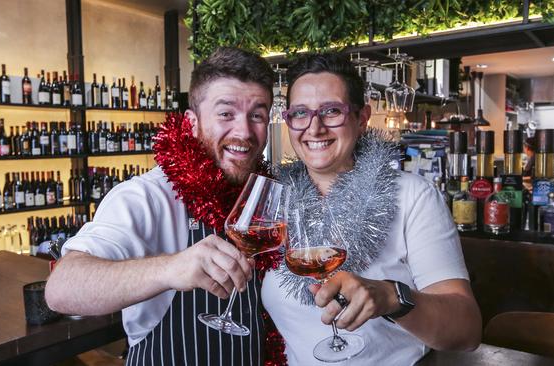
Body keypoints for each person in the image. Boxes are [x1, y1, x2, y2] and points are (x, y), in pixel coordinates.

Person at [45, 47, 275, 365]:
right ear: (191, 123)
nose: (244, 131)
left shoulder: (262, 198)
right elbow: (62, 289)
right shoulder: (146, 197)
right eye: (226, 114)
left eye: (257, 115)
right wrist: (170, 268)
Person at [262, 53, 482, 365]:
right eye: (300, 113)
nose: (314, 128)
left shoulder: (413, 196)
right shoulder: (273, 201)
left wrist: (392, 297)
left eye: (332, 111)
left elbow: (467, 330)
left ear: (362, 118)